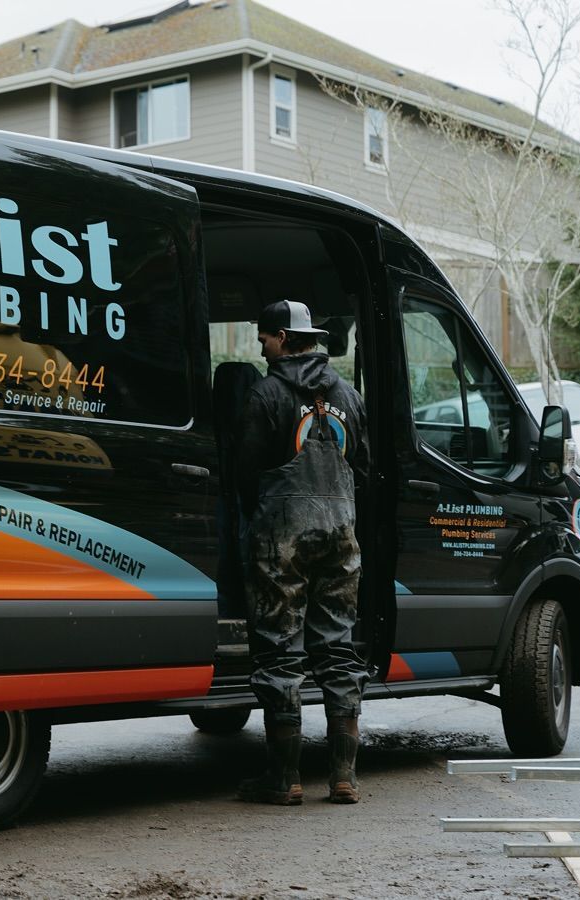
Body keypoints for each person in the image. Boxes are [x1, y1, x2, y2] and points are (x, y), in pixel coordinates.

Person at [234, 299, 370, 805]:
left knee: (279, 649)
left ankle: (285, 778)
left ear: (285, 339)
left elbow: (246, 473)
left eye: (265, 337)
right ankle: (342, 777)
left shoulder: (265, 393)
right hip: (340, 533)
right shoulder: (350, 397)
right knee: (337, 647)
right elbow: (364, 465)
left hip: (281, 535)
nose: (261, 345)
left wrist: (263, 522)